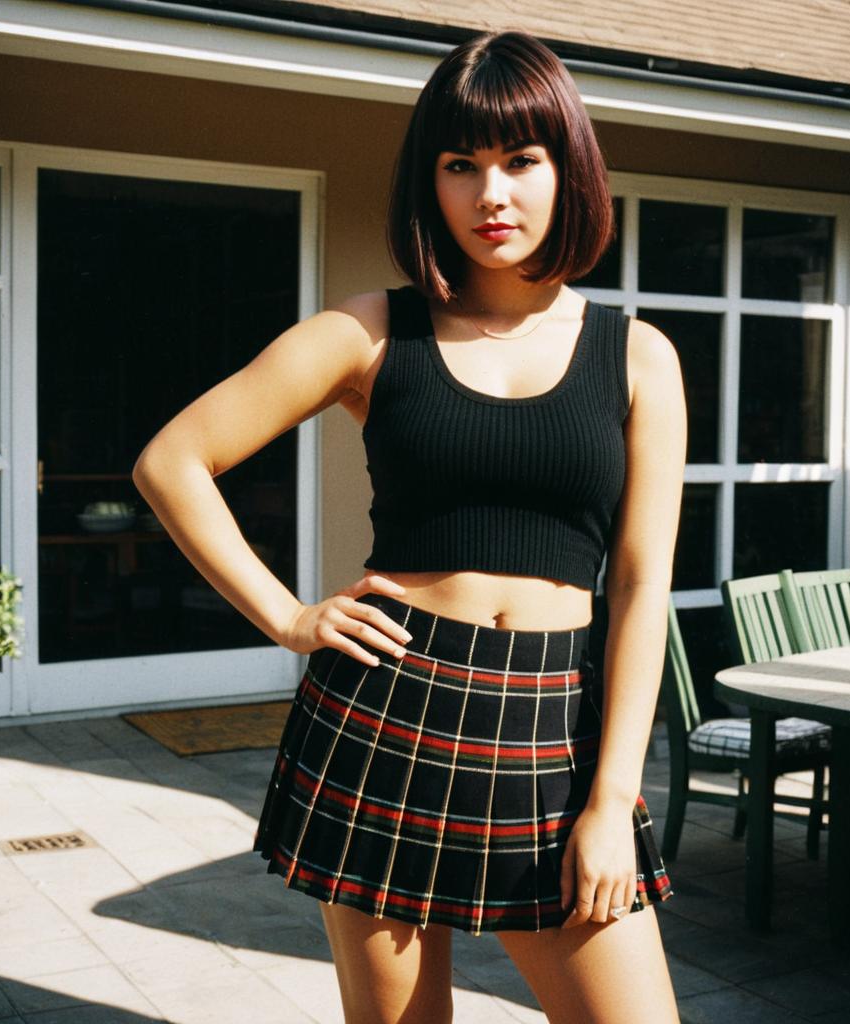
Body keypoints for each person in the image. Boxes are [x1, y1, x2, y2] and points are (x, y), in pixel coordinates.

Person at [133, 29, 685, 1024]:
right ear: (428, 182)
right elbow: (172, 460)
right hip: (390, 710)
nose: (491, 195)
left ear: (569, 170)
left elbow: (642, 586)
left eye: (521, 160)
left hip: (552, 726)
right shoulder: (371, 331)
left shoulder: (639, 356)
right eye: (460, 164)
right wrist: (288, 616)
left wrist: (613, 795)